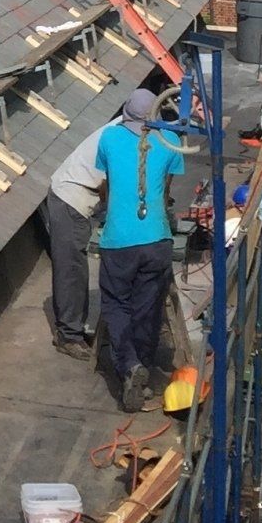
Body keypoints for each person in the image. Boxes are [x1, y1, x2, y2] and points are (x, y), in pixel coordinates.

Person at [94, 87, 186, 411]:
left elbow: (110, 185)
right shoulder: (171, 142)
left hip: (118, 241)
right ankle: (142, 370)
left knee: (116, 304)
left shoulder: (108, 138)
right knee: (148, 309)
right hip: (156, 240)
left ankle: (130, 365)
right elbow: (165, 196)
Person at [45, 125, 105, 359]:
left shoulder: (130, 126)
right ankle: (68, 335)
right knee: (71, 268)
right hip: (70, 198)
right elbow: (108, 186)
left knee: (76, 268)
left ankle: (75, 328)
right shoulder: (122, 140)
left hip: (79, 194)